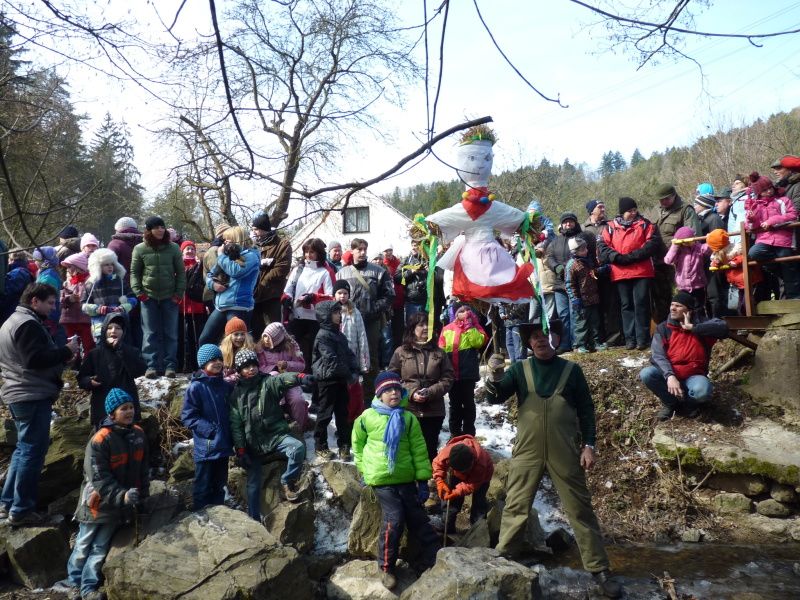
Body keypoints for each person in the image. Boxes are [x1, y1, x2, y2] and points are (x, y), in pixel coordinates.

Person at [483, 318, 622, 599]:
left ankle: (600, 570)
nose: (540, 340)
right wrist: (495, 375)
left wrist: (589, 445)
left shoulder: (571, 371)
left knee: (579, 509)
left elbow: (586, 410)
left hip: (565, 449)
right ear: (529, 343)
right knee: (516, 504)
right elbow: (495, 398)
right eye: (534, 336)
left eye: (545, 334)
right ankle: (505, 558)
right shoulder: (520, 369)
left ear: (555, 339)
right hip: (527, 450)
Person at [351, 370, 440, 590]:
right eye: (388, 390)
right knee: (395, 518)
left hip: (405, 478)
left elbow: (419, 450)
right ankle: (386, 566)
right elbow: (358, 446)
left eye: (397, 389)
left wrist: (422, 480)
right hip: (381, 479)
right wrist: (364, 469)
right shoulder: (367, 418)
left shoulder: (408, 418)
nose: (394, 393)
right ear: (379, 394)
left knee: (418, 516)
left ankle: (436, 556)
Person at [0, 283, 80, 525]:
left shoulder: (12, 322)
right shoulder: (27, 324)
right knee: (32, 452)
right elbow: (33, 359)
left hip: (19, 392)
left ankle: (7, 503)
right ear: (34, 301)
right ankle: (21, 509)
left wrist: (61, 358)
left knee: (23, 449)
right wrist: (66, 351)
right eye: (50, 303)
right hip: (30, 394)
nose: (53, 308)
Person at [64, 388, 148, 600]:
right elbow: (99, 477)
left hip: (117, 506)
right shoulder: (101, 439)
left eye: (131, 407)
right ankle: (73, 584)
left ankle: (88, 588)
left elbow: (142, 469)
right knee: (83, 545)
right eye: (123, 409)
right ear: (112, 413)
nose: (129, 412)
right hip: (95, 503)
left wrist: (142, 497)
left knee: (100, 548)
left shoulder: (138, 434)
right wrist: (122, 496)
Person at [229, 349, 307, 520]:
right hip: (253, 445)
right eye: (246, 367)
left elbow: (282, 379)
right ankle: (254, 519)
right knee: (253, 484)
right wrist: (240, 449)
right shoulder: (236, 394)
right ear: (239, 371)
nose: (251, 369)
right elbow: (236, 425)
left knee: (297, 448)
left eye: (253, 365)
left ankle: (287, 481)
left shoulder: (268, 382)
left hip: (274, 437)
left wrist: (300, 378)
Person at [639, 292, 728, 421]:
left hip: (694, 375)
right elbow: (658, 355)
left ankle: (689, 405)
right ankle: (671, 403)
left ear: (689, 311)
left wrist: (693, 328)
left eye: (678, 306)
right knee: (647, 374)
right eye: (672, 305)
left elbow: (724, 328)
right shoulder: (663, 328)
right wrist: (670, 376)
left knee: (702, 391)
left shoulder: (701, 323)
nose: (673, 308)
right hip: (672, 373)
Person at [389, 311, 454, 462]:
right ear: (412, 328)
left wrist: (430, 392)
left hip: (434, 411)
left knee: (429, 450)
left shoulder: (440, 352)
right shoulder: (401, 352)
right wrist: (411, 393)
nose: (425, 328)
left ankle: (430, 476)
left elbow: (448, 378)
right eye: (421, 325)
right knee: (409, 450)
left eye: (428, 325)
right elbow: (392, 379)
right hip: (408, 410)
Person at [336, 238, 395, 402]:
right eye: (359, 249)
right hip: (347, 321)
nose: (362, 252)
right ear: (352, 251)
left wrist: (374, 309)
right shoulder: (341, 273)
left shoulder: (379, 271)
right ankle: (347, 396)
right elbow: (334, 296)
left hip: (371, 321)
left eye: (364, 249)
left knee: (371, 358)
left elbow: (390, 295)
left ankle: (370, 397)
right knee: (346, 355)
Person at [598, 197, 660, 350]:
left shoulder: (645, 224)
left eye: (634, 210)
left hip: (641, 271)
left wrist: (632, 257)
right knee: (626, 306)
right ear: (622, 212)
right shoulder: (610, 227)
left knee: (641, 304)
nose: (633, 213)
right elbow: (603, 247)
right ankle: (630, 339)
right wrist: (617, 257)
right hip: (620, 272)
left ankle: (642, 339)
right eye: (629, 211)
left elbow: (652, 244)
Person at [130, 216, 185, 378]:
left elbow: (181, 272)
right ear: (149, 230)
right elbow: (134, 273)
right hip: (148, 297)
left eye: (162, 227)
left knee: (171, 333)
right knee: (149, 333)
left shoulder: (173, 248)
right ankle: (151, 366)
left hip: (170, 296)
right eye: (156, 227)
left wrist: (178, 294)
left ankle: (170, 366)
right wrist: (139, 292)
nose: (160, 230)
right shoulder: (139, 249)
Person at [181, 344, 234, 510]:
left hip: (223, 446)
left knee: (219, 484)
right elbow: (188, 416)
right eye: (212, 360)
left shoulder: (226, 386)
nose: (217, 362)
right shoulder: (196, 387)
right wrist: (210, 430)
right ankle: (200, 516)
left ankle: (218, 514)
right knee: (202, 486)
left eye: (219, 359)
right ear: (203, 364)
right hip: (206, 448)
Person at [77, 313, 147, 428]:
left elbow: (140, 370)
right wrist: (89, 382)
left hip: (126, 407)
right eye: (109, 328)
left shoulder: (131, 351)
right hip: (102, 407)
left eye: (118, 328)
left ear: (124, 332)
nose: (113, 331)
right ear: (104, 330)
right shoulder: (95, 354)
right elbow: (81, 378)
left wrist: (121, 348)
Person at [646, 183, 702, 324]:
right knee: (660, 297)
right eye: (660, 200)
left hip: (679, 264)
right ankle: (664, 328)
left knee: (680, 298)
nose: (663, 202)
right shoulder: (655, 210)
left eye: (666, 199)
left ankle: (686, 326)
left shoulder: (685, 210)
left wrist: (677, 248)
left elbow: (693, 236)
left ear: (673, 196)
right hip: (657, 262)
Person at [312, 300, 359, 461]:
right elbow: (331, 360)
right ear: (326, 316)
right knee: (325, 414)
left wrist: (354, 368)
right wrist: (349, 375)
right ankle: (320, 445)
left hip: (340, 378)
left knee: (342, 413)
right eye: (336, 312)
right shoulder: (322, 336)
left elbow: (349, 354)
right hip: (327, 380)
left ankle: (344, 444)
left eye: (339, 312)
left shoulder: (339, 335)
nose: (340, 315)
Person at [199, 225, 260, 346]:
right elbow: (210, 274)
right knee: (205, 339)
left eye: (228, 240)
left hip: (239, 306)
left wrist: (221, 256)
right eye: (224, 240)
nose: (225, 243)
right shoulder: (226, 256)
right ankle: (206, 359)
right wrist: (213, 285)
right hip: (221, 305)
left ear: (237, 240)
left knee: (237, 343)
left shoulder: (251, 256)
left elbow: (236, 271)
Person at [282, 237, 335, 373]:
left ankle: (313, 377)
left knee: (313, 351)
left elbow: (331, 297)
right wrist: (287, 298)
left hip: (316, 319)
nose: (308, 255)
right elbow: (288, 289)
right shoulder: (298, 269)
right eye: (306, 252)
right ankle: (295, 376)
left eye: (312, 252)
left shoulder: (326, 271)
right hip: (297, 316)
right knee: (293, 349)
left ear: (319, 253)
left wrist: (314, 298)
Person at [545, 212, 595, 351]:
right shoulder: (555, 241)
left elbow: (589, 255)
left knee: (575, 314)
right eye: (565, 222)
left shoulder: (582, 237)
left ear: (575, 223)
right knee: (563, 315)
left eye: (571, 221)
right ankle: (564, 344)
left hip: (577, 283)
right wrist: (556, 267)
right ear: (561, 224)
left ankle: (577, 343)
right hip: (559, 284)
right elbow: (549, 257)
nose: (568, 224)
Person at [746, 172, 800, 299]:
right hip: (764, 240)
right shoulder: (756, 206)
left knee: (787, 264)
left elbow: (793, 215)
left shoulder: (783, 200)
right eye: (764, 190)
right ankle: (786, 277)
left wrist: (772, 221)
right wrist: (752, 219)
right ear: (759, 193)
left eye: (770, 188)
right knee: (754, 253)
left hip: (784, 240)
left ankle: (794, 299)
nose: (769, 191)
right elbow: (751, 227)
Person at [438, 304, 487, 438]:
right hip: (452, 374)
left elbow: (478, 342)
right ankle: (455, 432)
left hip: (468, 374)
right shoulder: (447, 329)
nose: (465, 313)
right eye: (461, 311)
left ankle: (469, 432)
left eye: (467, 311)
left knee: (468, 403)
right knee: (455, 404)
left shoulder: (475, 327)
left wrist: (468, 326)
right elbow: (441, 349)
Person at [432, 436, 494, 534]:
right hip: (458, 473)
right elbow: (437, 463)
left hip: (482, 478)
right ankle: (447, 525)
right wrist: (439, 480)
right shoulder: (448, 452)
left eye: (463, 471)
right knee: (452, 500)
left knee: (479, 502)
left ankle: (477, 530)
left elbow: (472, 484)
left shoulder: (481, 464)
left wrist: (456, 492)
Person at [583, 199, 623, 347]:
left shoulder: (610, 225)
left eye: (603, 206)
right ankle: (598, 338)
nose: (603, 209)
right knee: (595, 307)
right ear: (591, 211)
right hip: (590, 272)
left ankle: (614, 338)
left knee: (612, 304)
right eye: (599, 207)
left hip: (608, 270)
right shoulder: (583, 228)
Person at [255, 322, 309, 431]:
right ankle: (278, 424)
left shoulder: (291, 346)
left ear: (278, 339)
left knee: (297, 399)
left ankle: (299, 428)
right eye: (265, 336)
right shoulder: (260, 349)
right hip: (270, 381)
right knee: (275, 394)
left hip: (290, 380)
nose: (266, 340)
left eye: (269, 338)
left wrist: (288, 365)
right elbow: (259, 367)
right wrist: (274, 368)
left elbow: (301, 365)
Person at [82, 248, 137, 344]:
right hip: (100, 324)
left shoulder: (120, 281)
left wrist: (124, 307)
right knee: (102, 348)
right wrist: (98, 309)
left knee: (121, 348)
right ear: (98, 266)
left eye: (112, 264)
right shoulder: (90, 284)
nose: (110, 267)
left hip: (119, 322)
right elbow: (83, 305)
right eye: (106, 264)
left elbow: (132, 297)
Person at [334, 280, 370, 422]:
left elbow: (362, 336)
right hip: (336, 356)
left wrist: (364, 363)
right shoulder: (330, 311)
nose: (342, 296)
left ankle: (352, 418)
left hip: (351, 355)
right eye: (339, 293)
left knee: (351, 389)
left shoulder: (354, 312)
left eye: (345, 293)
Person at [250, 213, 292, 333]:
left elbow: (281, 269)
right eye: (252, 229)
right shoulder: (252, 245)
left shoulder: (282, 244)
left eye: (256, 229)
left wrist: (262, 284)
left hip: (271, 295)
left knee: (273, 331)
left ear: (263, 229)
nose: (253, 232)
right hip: (253, 296)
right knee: (256, 332)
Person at [107, 217, 144, 347]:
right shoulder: (143, 243)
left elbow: (109, 267)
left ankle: (124, 354)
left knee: (121, 324)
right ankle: (139, 355)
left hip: (121, 290)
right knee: (139, 326)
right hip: (141, 288)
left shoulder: (115, 244)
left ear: (118, 229)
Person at [565, 237, 605, 353]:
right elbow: (569, 284)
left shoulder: (587, 261)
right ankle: (580, 345)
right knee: (581, 323)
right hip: (581, 301)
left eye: (586, 248)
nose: (586, 251)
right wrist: (575, 299)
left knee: (595, 322)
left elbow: (592, 274)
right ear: (575, 251)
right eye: (583, 249)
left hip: (593, 298)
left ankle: (595, 342)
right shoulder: (572, 265)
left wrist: (599, 271)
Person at [177, 240, 209, 373]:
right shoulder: (178, 266)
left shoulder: (200, 266)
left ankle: (198, 364)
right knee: (181, 336)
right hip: (181, 306)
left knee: (196, 336)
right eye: (187, 249)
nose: (190, 251)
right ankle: (182, 364)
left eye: (192, 249)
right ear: (182, 251)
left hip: (197, 306)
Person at [664, 226, 710, 313]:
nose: (688, 243)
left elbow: (708, 248)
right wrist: (674, 246)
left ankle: (699, 321)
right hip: (683, 287)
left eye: (689, 241)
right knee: (684, 309)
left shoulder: (698, 247)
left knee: (698, 309)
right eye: (685, 242)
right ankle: (685, 321)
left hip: (698, 286)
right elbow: (668, 260)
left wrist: (710, 239)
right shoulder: (678, 250)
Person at [60, 252, 95, 355]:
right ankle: (74, 361)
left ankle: (88, 362)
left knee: (88, 344)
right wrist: (68, 299)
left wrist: (82, 299)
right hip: (69, 319)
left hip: (85, 320)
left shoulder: (90, 282)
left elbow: (93, 297)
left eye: (70, 267)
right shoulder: (67, 282)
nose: (67, 269)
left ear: (79, 268)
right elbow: (60, 300)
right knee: (71, 345)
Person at [32, 246, 65, 344]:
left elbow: (44, 295)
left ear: (45, 261)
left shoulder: (48, 276)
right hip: (49, 311)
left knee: (49, 339)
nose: (35, 262)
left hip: (48, 313)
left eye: (37, 260)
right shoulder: (46, 272)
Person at [397, 239, 428, 322]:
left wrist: (429, 272)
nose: (414, 248)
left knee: (424, 327)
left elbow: (438, 279)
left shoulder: (428, 259)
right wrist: (411, 271)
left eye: (416, 245)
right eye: (413, 245)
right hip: (412, 302)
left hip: (427, 301)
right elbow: (397, 278)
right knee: (411, 326)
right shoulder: (406, 260)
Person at [0, 251, 33, 327]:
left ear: (12, 259)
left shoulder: (18, 273)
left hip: (9, 313)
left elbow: (5, 294)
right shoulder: (21, 271)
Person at [219, 317, 256, 383]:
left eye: (242, 334)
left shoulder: (250, 348)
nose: (239, 337)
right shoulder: (221, 351)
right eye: (236, 334)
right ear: (229, 337)